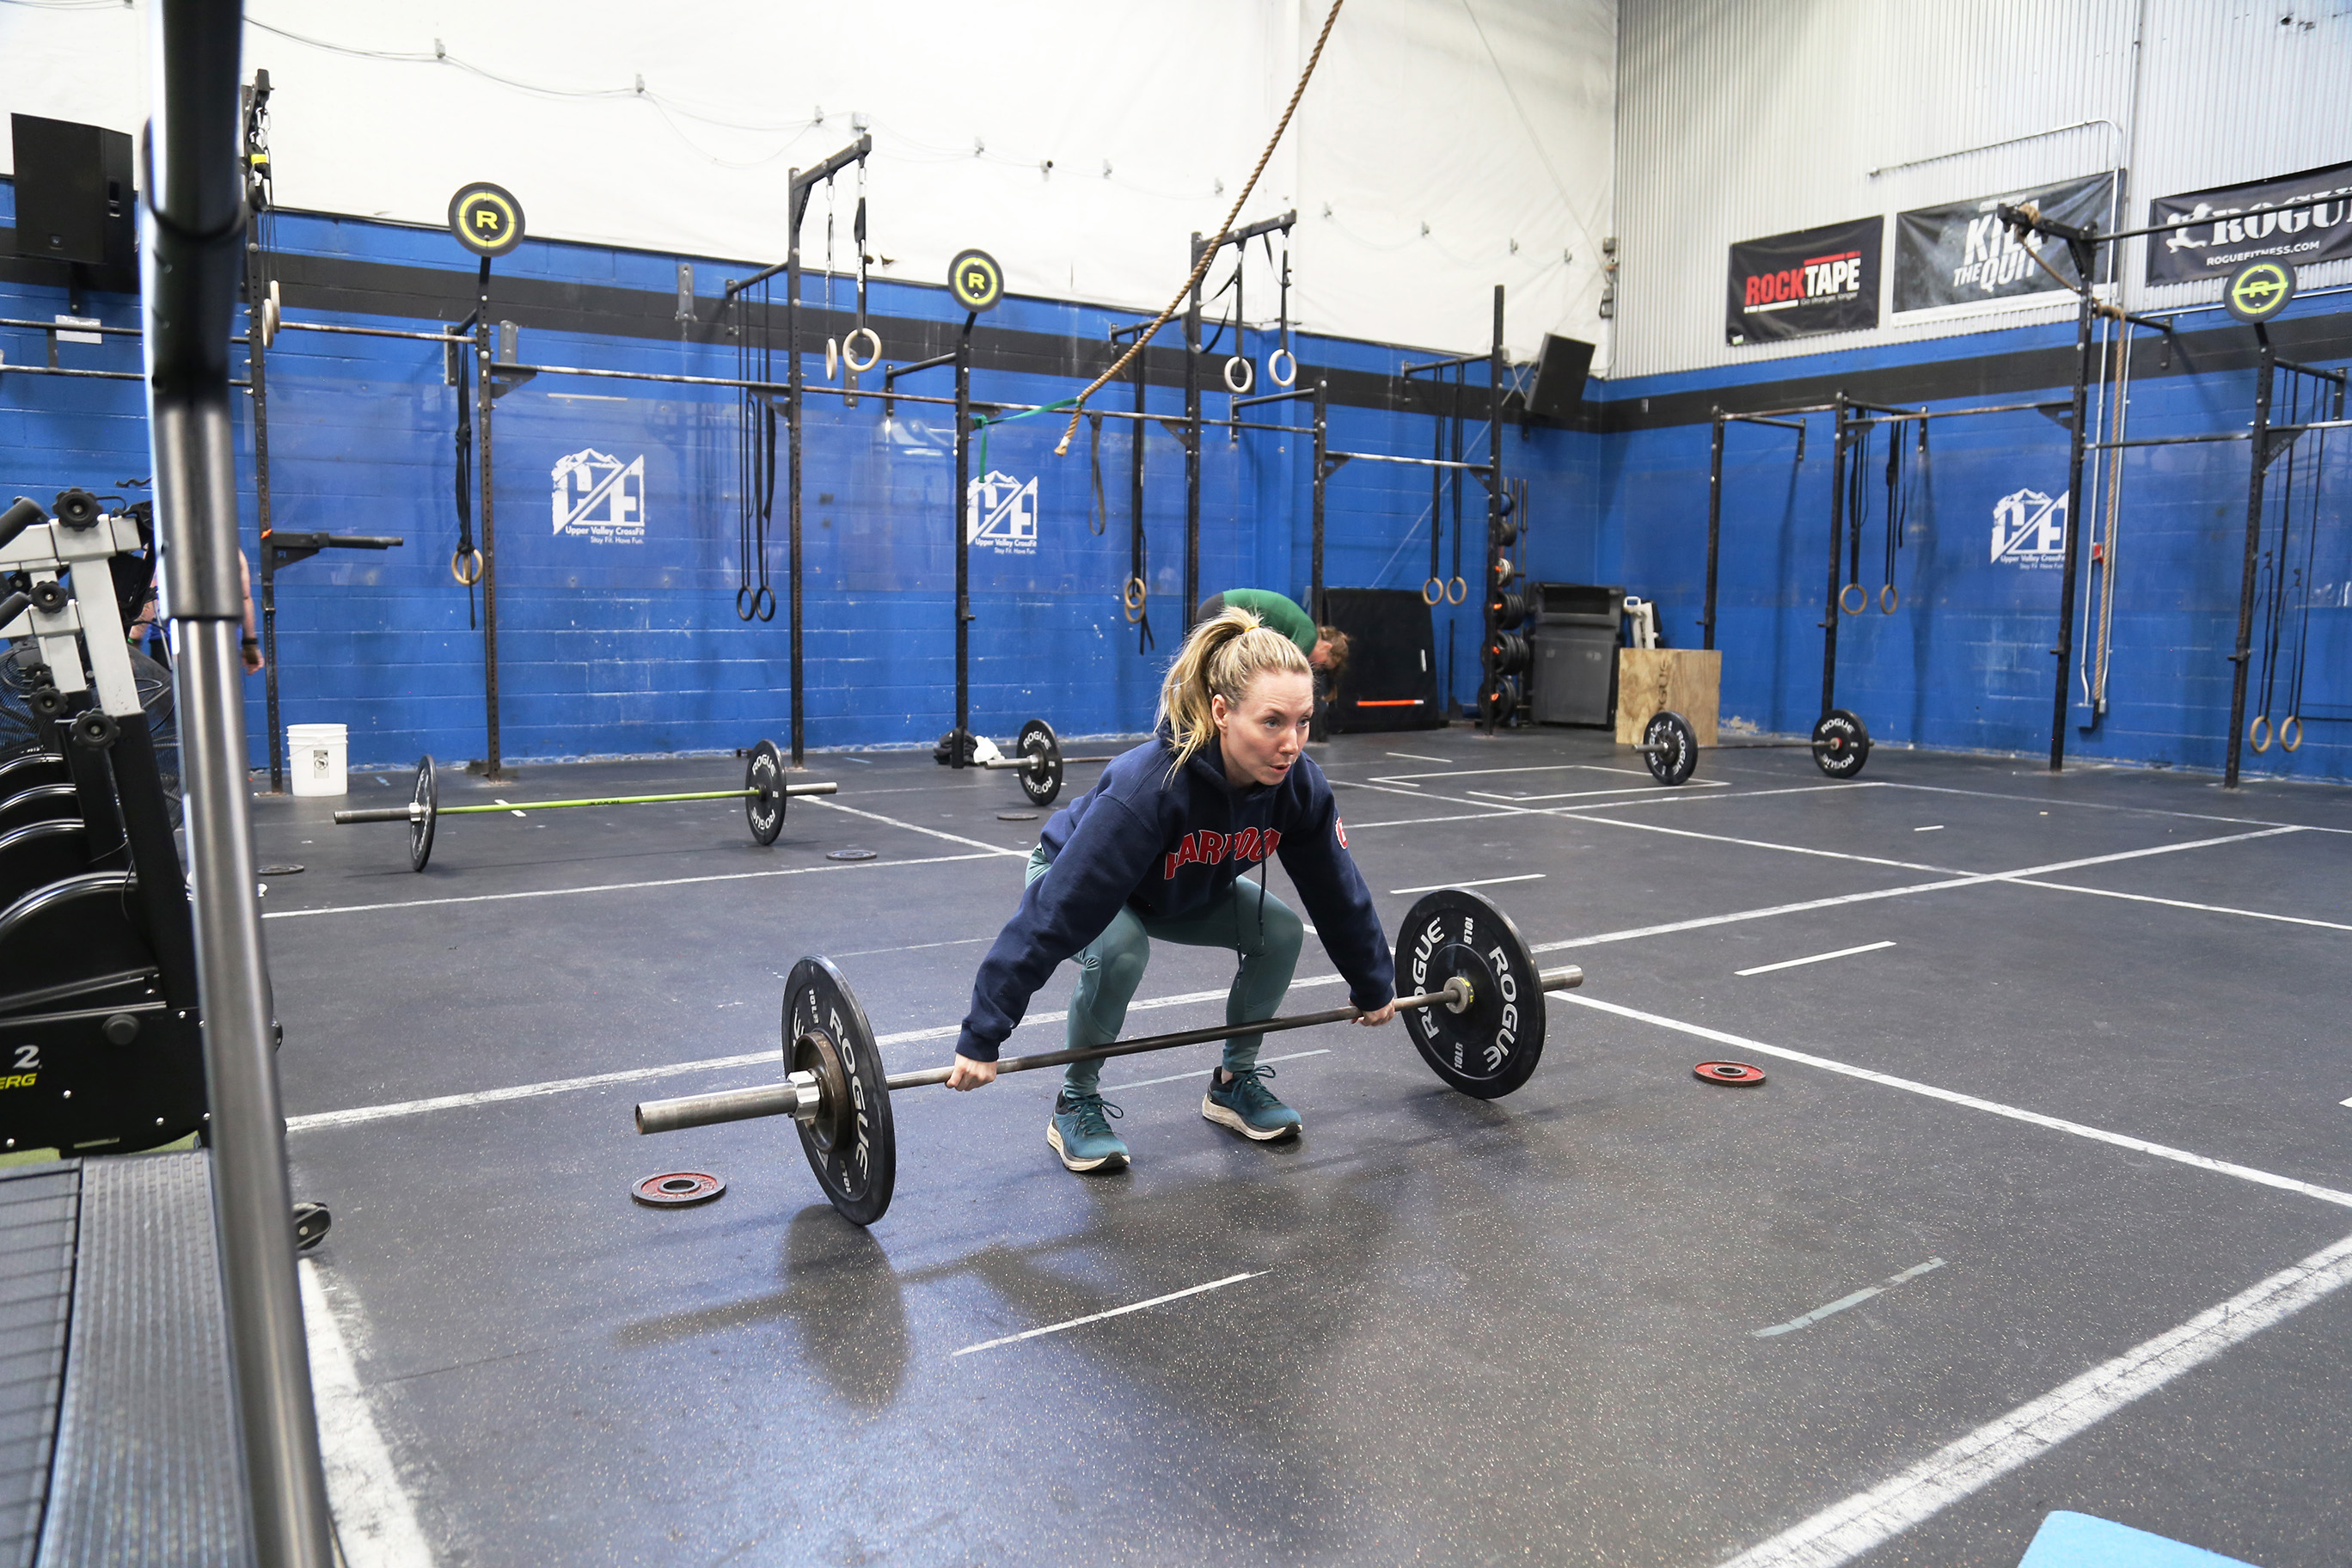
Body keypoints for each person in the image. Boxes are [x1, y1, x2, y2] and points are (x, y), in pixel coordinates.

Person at [946, 607, 1397, 1172]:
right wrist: (983, 1033)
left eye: (1303, 722)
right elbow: (1059, 910)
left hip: (1178, 888)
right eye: (1273, 722)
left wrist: (1372, 980)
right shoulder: (1151, 788)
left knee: (1280, 932)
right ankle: (1075, 1100)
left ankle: (1234, 1081)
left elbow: (1336, 888)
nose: (1291, 743)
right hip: (1071, 876)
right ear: (1222, 712)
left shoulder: (1297, 787)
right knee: (1120, 947)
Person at [1194, 589, 1348, 677]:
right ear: (1326, 647)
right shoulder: (1309, 638)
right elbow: (1283, 670)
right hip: (1221, 610)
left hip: (1216, 607)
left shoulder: (1304, 629)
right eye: (1323, 663)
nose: (1317, 666)